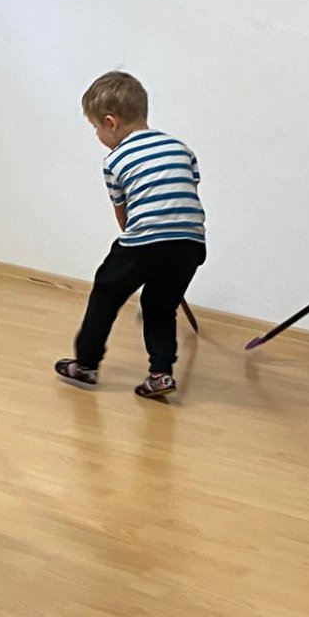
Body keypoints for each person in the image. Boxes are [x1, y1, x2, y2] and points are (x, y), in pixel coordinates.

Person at [54, 71, 206, 400]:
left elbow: (123, 215)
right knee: (160, 305)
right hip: (190, 244)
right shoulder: (181, 148)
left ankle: (86, 364)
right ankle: (160, 373)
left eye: (95, 127)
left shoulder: (116, 159)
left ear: (111, 123)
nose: (97, 134)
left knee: (106, 292)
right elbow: (189, 192)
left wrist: (141, 243)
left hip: (144, 242)